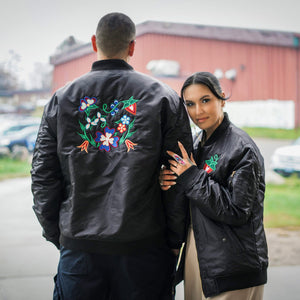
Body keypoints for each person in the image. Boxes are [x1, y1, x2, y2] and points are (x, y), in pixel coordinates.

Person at [31, 12, 193, 300]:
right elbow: (179, 179)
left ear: (94, 42)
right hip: (145, 251)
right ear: (132, 47)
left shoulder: (61, 99)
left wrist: (60, 235)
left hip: (79, 251)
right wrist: (173, 239)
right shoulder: (164, 98)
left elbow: (43, 175)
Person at [160, 72, 268, 299]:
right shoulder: (197, 143)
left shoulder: (241, 148)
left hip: (232, 266)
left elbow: (237, 210)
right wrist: (168, 180)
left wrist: (190, 176)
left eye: (205, 100)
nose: (198, 111)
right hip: (198, 255)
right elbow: (193, 195)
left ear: (221, 98)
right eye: (190, 104)